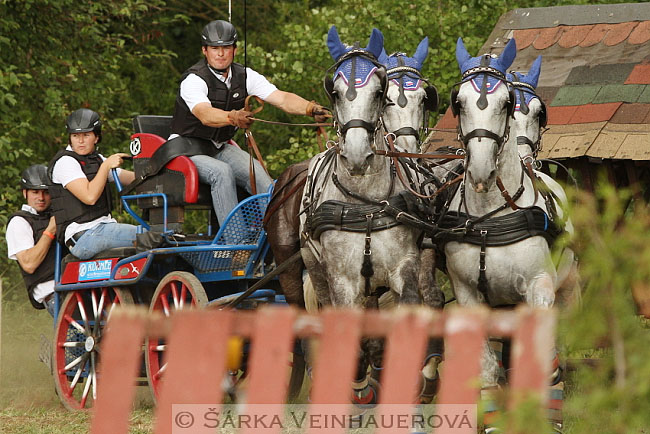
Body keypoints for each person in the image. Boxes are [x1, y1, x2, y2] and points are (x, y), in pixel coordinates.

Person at [169, 19, 328, 226]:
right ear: (204, 50)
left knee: (259, 174)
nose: (220, 53)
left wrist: (309, 108)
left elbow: (281, 98)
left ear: (234, 50)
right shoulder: (194, 80)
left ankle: (276, 236)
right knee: (221, 173)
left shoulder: (245, 76)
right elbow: (205, 114)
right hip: (187, 149)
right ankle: (237, 246)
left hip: (219, 147)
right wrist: (232, 117)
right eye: (215, 48)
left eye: (226, 47)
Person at [48, 108, 138, 260]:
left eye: (86, 135)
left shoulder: (97, 160)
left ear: (96, 137)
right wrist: (106, 166)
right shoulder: (65, 162)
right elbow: (89, 197)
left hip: (103, 229)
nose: (80, 141)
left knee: (158, 233)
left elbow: (133, 179)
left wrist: (157, 173)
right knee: (150, 236)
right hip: (83, 236)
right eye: (75, 136)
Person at [6, 165, 58, 316]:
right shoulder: (19, 222)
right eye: (35, 192)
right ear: (25, 193)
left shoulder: (56, 215)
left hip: (76, 285)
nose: (41, 198)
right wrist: (50, 230)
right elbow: (29, 264)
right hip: (53, 293)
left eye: (46, 192)